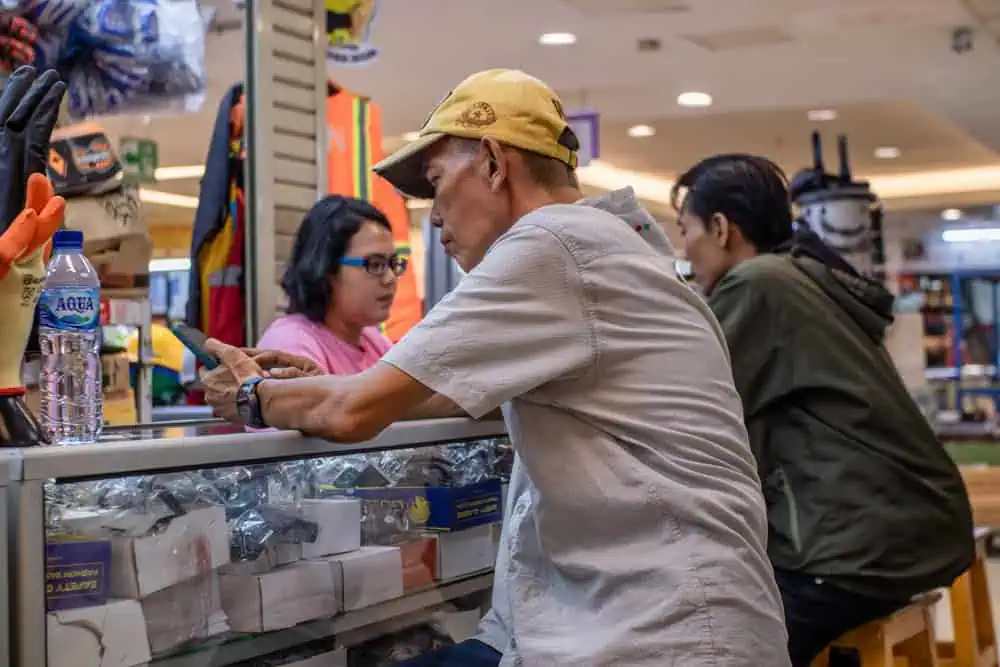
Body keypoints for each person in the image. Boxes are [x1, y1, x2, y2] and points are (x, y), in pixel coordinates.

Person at [201, 69, 791, 667]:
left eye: (436, 184)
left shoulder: (551, 245)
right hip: (674, 620)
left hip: (664, 633)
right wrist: (308, 384)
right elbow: (439, 392)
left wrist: (250, 396)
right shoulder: (608, 243)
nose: (433, 219)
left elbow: (351, 413)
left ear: (492, 163)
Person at [672, 153, 975, 667]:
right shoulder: (804, 277)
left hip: (856, 549)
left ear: (721, 229)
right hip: (911, 530)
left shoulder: (758, 284)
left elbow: (688, 404)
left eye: (686, 230)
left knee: (706, 641)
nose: (685, 248)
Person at [256, 195, 405, 375]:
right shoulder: (290, 344)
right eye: (374, 264)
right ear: (325, 269)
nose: (390, 278)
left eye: (393, 263)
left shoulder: (372, 341)